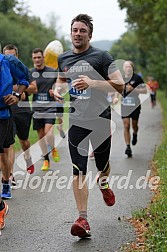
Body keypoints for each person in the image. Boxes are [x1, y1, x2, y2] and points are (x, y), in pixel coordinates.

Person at [53, 14, 124, 238]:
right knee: (78, 170)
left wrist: (92, 82)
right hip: (77, 122)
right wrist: (58, 90)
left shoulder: (102, 56)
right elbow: (61, 80)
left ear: (89, 35)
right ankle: (82, 218)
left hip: (101, 120)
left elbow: (120, 86)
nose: (78, 33)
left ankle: (103, 182)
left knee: (102, 165)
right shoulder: (63, 58)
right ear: (70, 32)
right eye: (75, 30)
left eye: (83, 30)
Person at [0, 51, 29, 229]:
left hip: (2, 115)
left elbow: (25, 78)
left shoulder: (8, 61)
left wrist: (17, 95)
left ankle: (5, 182)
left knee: (4, 153)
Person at [2, 44, 37, 181]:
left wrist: (18, 91)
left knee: (24, 141)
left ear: (17, 56)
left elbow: (34, 88)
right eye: (7, 56)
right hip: (7, 111)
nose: (10, 58)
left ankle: (27, 157)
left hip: (22, 110)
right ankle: (10, 175)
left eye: (12, 56)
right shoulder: (2, 69)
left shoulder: (22, 70)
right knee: (9, 144)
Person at [30, 48, 60, 171]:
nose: (37, 60)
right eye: (34, 58)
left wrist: (56, 91)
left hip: (50, 108)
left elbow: (60, 86)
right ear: (33, 59)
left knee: (49, 134)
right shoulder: (30, 73)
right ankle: (46, 160)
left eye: (39, 57)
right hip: (37, 109)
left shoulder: (52, 71)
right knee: (41, 136)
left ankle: (53, 148)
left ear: (43, 58)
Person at [121, 60, 146, 157]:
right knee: (126, 125)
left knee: (134, 125)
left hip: (135, 105)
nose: (127, 68)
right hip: (124, 105)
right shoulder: (121, 78)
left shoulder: (137, 78)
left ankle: (135, 133)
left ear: (132, 68)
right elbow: (117, 90)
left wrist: (134, 89)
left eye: (129, 66)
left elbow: (144, 90)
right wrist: (115, 97)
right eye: (126, 67)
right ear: (123, 68)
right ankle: (128, 147)